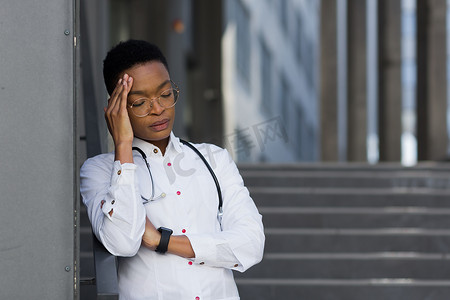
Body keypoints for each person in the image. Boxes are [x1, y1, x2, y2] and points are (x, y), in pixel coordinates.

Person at [80, 39, 265, 300]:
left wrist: (161, 241)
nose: (158, 109)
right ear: (116, 107)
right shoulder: (99, 171)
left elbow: (251, 244)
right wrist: (123, 144)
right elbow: (122, 241)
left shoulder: (213, 159)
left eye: (165, 94)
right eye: (140, 102)